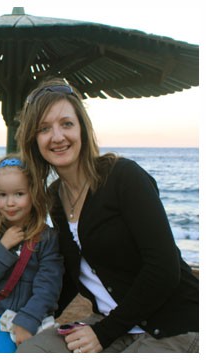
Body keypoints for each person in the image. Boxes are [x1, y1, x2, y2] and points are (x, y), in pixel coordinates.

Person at [15, 78, 199, 353]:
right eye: (44, 128)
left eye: (66, 124)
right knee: (30, 351)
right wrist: (33, 316)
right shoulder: (55, 197)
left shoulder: (123, 176)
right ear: (34, 140)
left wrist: (104, 332)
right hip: (108, 325)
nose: (57, 136)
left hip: (170, 325)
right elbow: (71, 273)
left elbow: (164, 268)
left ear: (82, 130)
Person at [0, 154, 63, 352]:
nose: (10, 203)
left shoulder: (46, 238)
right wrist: (2, 247)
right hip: (1, 315)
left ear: (33, 194)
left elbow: (49, 285)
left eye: (19, 194)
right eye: (2, 195)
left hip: (36, 316)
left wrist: (28, 320)